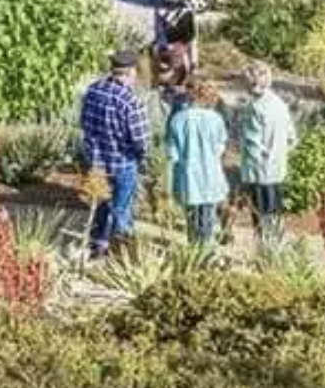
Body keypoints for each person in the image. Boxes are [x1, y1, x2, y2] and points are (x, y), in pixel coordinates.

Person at [81, 50, 151, 260]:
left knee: (101, 204)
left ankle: (98, 247)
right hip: (123, 163)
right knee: (121, 210)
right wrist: (141, 157)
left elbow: (84, 123)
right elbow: (141, 140)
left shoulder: (94, 90)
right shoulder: (131, 101)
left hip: (96, 160)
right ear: (130, 72)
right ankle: (121, 253)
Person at [165, 79, 230, 245]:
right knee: (207, 217)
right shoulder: (216, 119)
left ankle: (193, 251)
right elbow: (220, 148)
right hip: (210, 174)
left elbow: (172, 152)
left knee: (191, 217)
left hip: (188, 176)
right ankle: (206, 251)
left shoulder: (178, 119)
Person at [236, 62, 294, 237]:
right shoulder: (280, 104)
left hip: (260, 172)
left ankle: (265, 255)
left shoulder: (255, 108)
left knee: (261, 215)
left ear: (252, 83)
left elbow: (252, 144)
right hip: (277, 168)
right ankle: (276, 251)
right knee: (275, 212)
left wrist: (245, 176)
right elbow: (291, 137)